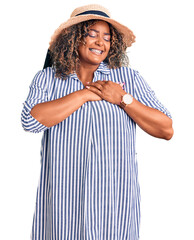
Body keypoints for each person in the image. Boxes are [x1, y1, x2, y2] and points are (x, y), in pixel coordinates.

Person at [21, 4, 173, 240]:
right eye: (91, 34)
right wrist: (84, 94)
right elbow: (31, 121)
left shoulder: (127, 78)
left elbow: (166, 129)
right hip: (65, 204)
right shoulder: (48, 78)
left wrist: (122, 99)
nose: (100, 42)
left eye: (107, 37)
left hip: (113, 206)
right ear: (73, 38)